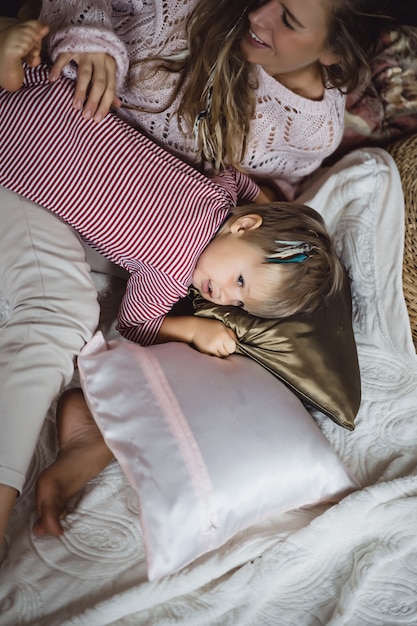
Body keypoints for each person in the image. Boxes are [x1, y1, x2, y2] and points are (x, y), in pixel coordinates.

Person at [0, 63, 343, 549]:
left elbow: (238, 179)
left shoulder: (219, 197)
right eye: (240, 280)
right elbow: (135, 325)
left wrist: (265, 203)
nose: (224, 296)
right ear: (243, 230)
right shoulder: (173, 268)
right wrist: (189, 330)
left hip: (53, 102)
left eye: (240, 299)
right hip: (18, 143)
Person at [24, 0, 395, 199]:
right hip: (35, 136)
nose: (257, 14)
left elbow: (276, 189)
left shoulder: (314, 129)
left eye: (288, 19)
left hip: (106, 205)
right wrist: (89, 29)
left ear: (334, 51)